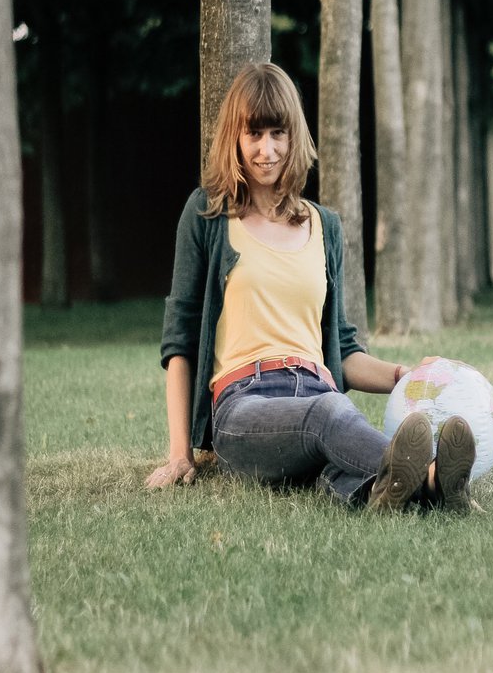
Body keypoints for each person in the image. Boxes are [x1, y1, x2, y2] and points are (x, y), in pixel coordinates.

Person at [146, 61, 475, 510]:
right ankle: (436, 479)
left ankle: (392, 495)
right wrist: (180, 453)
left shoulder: (325, 227)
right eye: (254, 134)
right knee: (329, 415)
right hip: (244, 408)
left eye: (278, 133)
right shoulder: (208, 214)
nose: (267, 149)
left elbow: (343, 349)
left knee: (333, 456)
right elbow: (179, 340)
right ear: (235, 140)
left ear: (294, 136)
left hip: (317, 389)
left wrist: (406, 375)